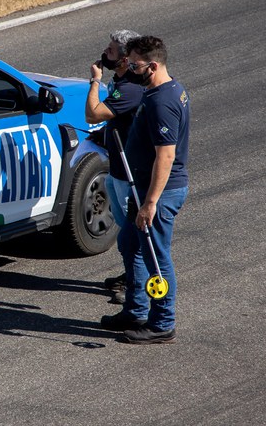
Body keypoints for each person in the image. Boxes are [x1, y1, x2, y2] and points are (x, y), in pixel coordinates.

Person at [102, 35, 190, 344]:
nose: (130, 66)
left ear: (152, 66)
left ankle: (162, 322)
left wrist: (150, 202)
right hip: (140, 189)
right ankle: (135, 310)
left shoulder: (162, 102)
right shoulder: (158, 91)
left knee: (156, 257)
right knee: (129, 243)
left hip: (157, 195)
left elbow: (166, 155)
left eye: (136, 63)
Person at [86, 30, 144, 305]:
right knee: (126, 230)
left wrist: (94, 82)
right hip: (117, 169)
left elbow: (93, 113)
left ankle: (136, 287)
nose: (104, 53)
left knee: (134, 234)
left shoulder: (131, 87)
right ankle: (130, 275)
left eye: (110, 50)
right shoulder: (121, 80)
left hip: (130, 175)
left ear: (123, 59)